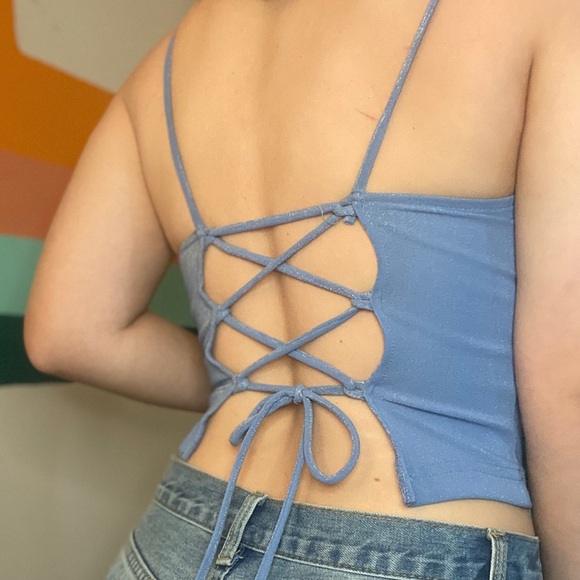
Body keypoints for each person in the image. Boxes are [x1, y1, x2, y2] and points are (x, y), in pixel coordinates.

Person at [24, 0, 580, 578]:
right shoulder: (540, 14)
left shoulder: (167, 62)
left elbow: (70, 333)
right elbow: (567, 371)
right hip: (413, 546)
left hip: (185, 532)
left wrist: (246, 384)